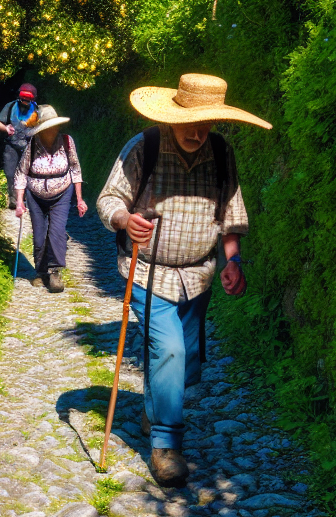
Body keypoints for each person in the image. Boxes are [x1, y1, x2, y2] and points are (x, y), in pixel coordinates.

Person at [96, 73, 271, 487]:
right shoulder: (145, 147)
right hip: (147, 272)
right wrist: (125, 220)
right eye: (191, 120)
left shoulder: (222, 153)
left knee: (187, 361)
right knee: (170, 348)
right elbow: (108, 200)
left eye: (206, 122)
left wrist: (233, 261)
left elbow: (231, 216)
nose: (197, 131)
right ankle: (166, 447)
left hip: (200, 276)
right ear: (173, 115)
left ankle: (155, 407)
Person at [14, 105, 88, 293]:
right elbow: (21, 174)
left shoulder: (67, 142)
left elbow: (75, 170)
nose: (52, 131)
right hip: (35, 195)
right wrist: (20, 202)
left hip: (62, 193)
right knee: (39, 236)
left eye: (54, 127)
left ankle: (54, 272)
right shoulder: (32, 145)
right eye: (48, 127)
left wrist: (79, 199)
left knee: (56, 231)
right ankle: (40, 272)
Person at [0, 83, 39, 209]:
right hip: (11, 146)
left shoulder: (37, 110)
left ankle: (29, 200)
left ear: (33, 98)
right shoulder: (10, 106)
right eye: (23, 98)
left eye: (28, 98)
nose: (25, 101)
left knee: (30, 174)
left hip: (30, 147)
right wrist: (5, 128)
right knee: (10, 173)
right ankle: (14, 201)